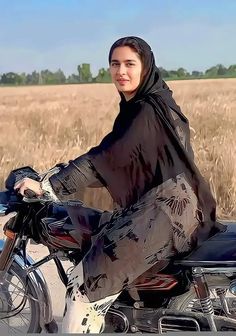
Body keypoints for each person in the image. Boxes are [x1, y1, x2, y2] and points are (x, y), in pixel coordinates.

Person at [14, 36, 221, 333]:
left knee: (84, 291)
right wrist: (55, 176)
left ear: (145, 66)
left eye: (129, 64)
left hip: (165, 212)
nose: (121, 71)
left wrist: (50, 187)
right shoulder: (148, 104)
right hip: (164, 204)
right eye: (115, 64)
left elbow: (107, 160)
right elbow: (118, 159)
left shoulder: (146, 112)